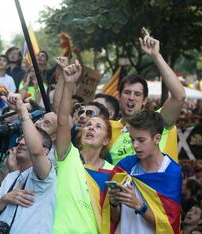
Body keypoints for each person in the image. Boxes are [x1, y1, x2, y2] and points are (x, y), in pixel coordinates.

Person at [108, 27, 185, 165]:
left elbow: (179, 96)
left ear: (144, 100)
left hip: (157, 186)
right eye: (127, 93)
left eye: (137, 94)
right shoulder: (107, 129)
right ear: (119, 97)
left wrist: (156, 56)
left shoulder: (157, 122)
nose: (131, 98)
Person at [53, 59, 114, 234]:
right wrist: (69, 84)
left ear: (105, 140)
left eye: (98, 126)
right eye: (88, 125)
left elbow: (114, 216)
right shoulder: (67, 155)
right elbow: (63, 120)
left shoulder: (112, 173)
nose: (90, 128)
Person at [0, 93, 56, 233]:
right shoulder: (11, 177)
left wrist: (22, 109)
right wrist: (4, 199)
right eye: (21, 138)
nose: (23, 142)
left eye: (28, 140)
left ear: (46, 151)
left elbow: (35, 151)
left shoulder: (45, 176)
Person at [107, 110, 182, 233]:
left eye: (141, 140)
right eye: (132, 140)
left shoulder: (171, 172)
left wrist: (139, 205)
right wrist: (113, 204)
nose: (135, 145)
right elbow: (115, 218)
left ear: (157, 138)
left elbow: (169, 225)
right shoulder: (124, 167)